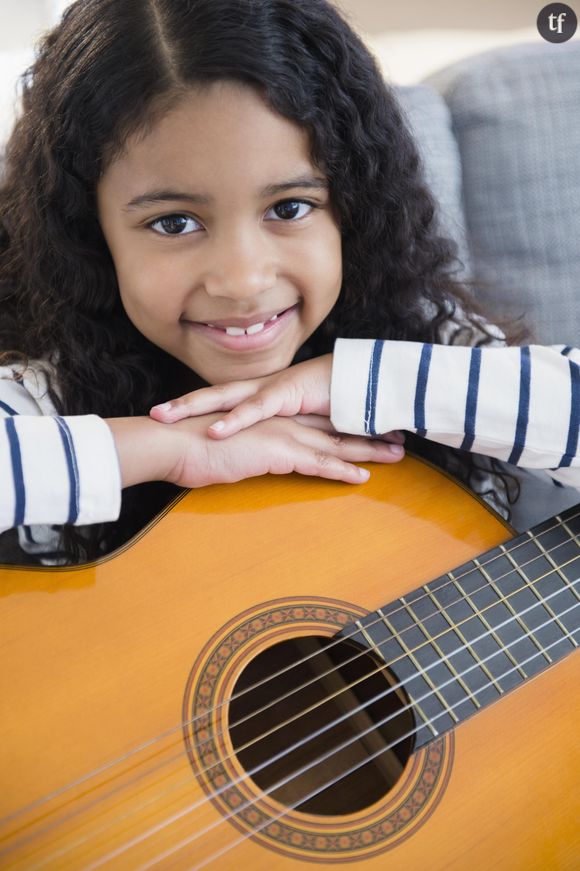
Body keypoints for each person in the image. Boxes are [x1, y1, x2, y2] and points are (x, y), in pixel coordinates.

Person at [0, 0, 578, 566]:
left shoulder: (424, 340)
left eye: (290, 207)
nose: (243, 281)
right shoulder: (43, 395)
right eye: (173, 222)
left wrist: (360, 382)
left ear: (352, 209)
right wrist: (167, 448)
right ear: (89, 235)